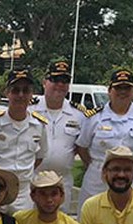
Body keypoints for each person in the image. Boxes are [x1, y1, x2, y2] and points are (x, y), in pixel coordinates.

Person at [76, 69, 133, 214]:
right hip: (98, 180)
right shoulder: (93, 118)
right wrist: (98, 166)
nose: (122, 92)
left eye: (127, 88)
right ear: (109, 91)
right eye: (118, 87)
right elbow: (82, 148)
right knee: (92, 223)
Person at [0, 69, 48, 213]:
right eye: (15, 90)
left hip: (23, 193)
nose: (20, 95)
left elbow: (39, 158)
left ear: (31, 94)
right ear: (7, 92)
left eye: (25, 91)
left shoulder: (39, 126)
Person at [32, 60, 87, 213]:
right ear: (44, 82)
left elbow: (82, 147)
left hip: (62, 182)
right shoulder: (30, 109)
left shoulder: (79, 114)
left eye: (64, 81)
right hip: (33, 178)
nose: (60, 85)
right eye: (55, 80)